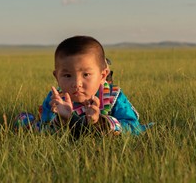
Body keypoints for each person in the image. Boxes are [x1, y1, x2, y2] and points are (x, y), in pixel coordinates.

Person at [16, 35, 150, 139]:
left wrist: (100, 122)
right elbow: (44, 132)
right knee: (23, 123)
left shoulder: (112, 96)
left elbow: (134, 127)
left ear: (103, 76)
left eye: (86, 74)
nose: (76, 83)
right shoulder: (57, 99)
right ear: (56, 76)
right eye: (67, 76)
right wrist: (62, 120)